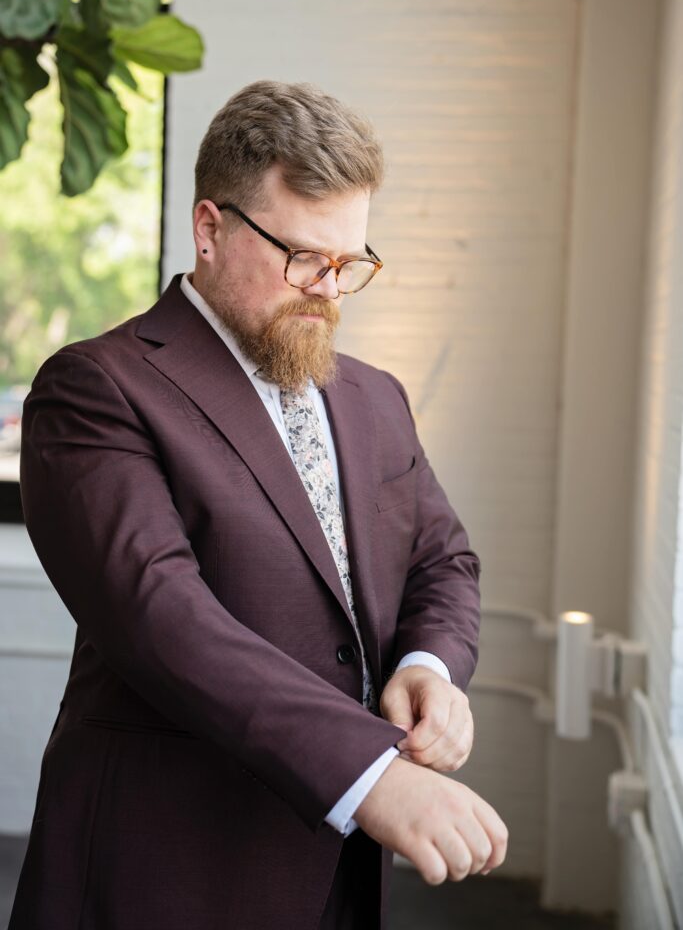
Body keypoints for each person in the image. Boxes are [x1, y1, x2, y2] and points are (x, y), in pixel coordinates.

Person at [9, 80, 508, 930]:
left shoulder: (377, 397)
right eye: (302, 257)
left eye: (349, 263)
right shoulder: (96, 387)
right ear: (209, 229)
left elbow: (442, 560)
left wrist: (428, 668)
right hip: (165, 868)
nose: (328, 290)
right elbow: (163, 619)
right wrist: (374, 774)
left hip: (340, 872)